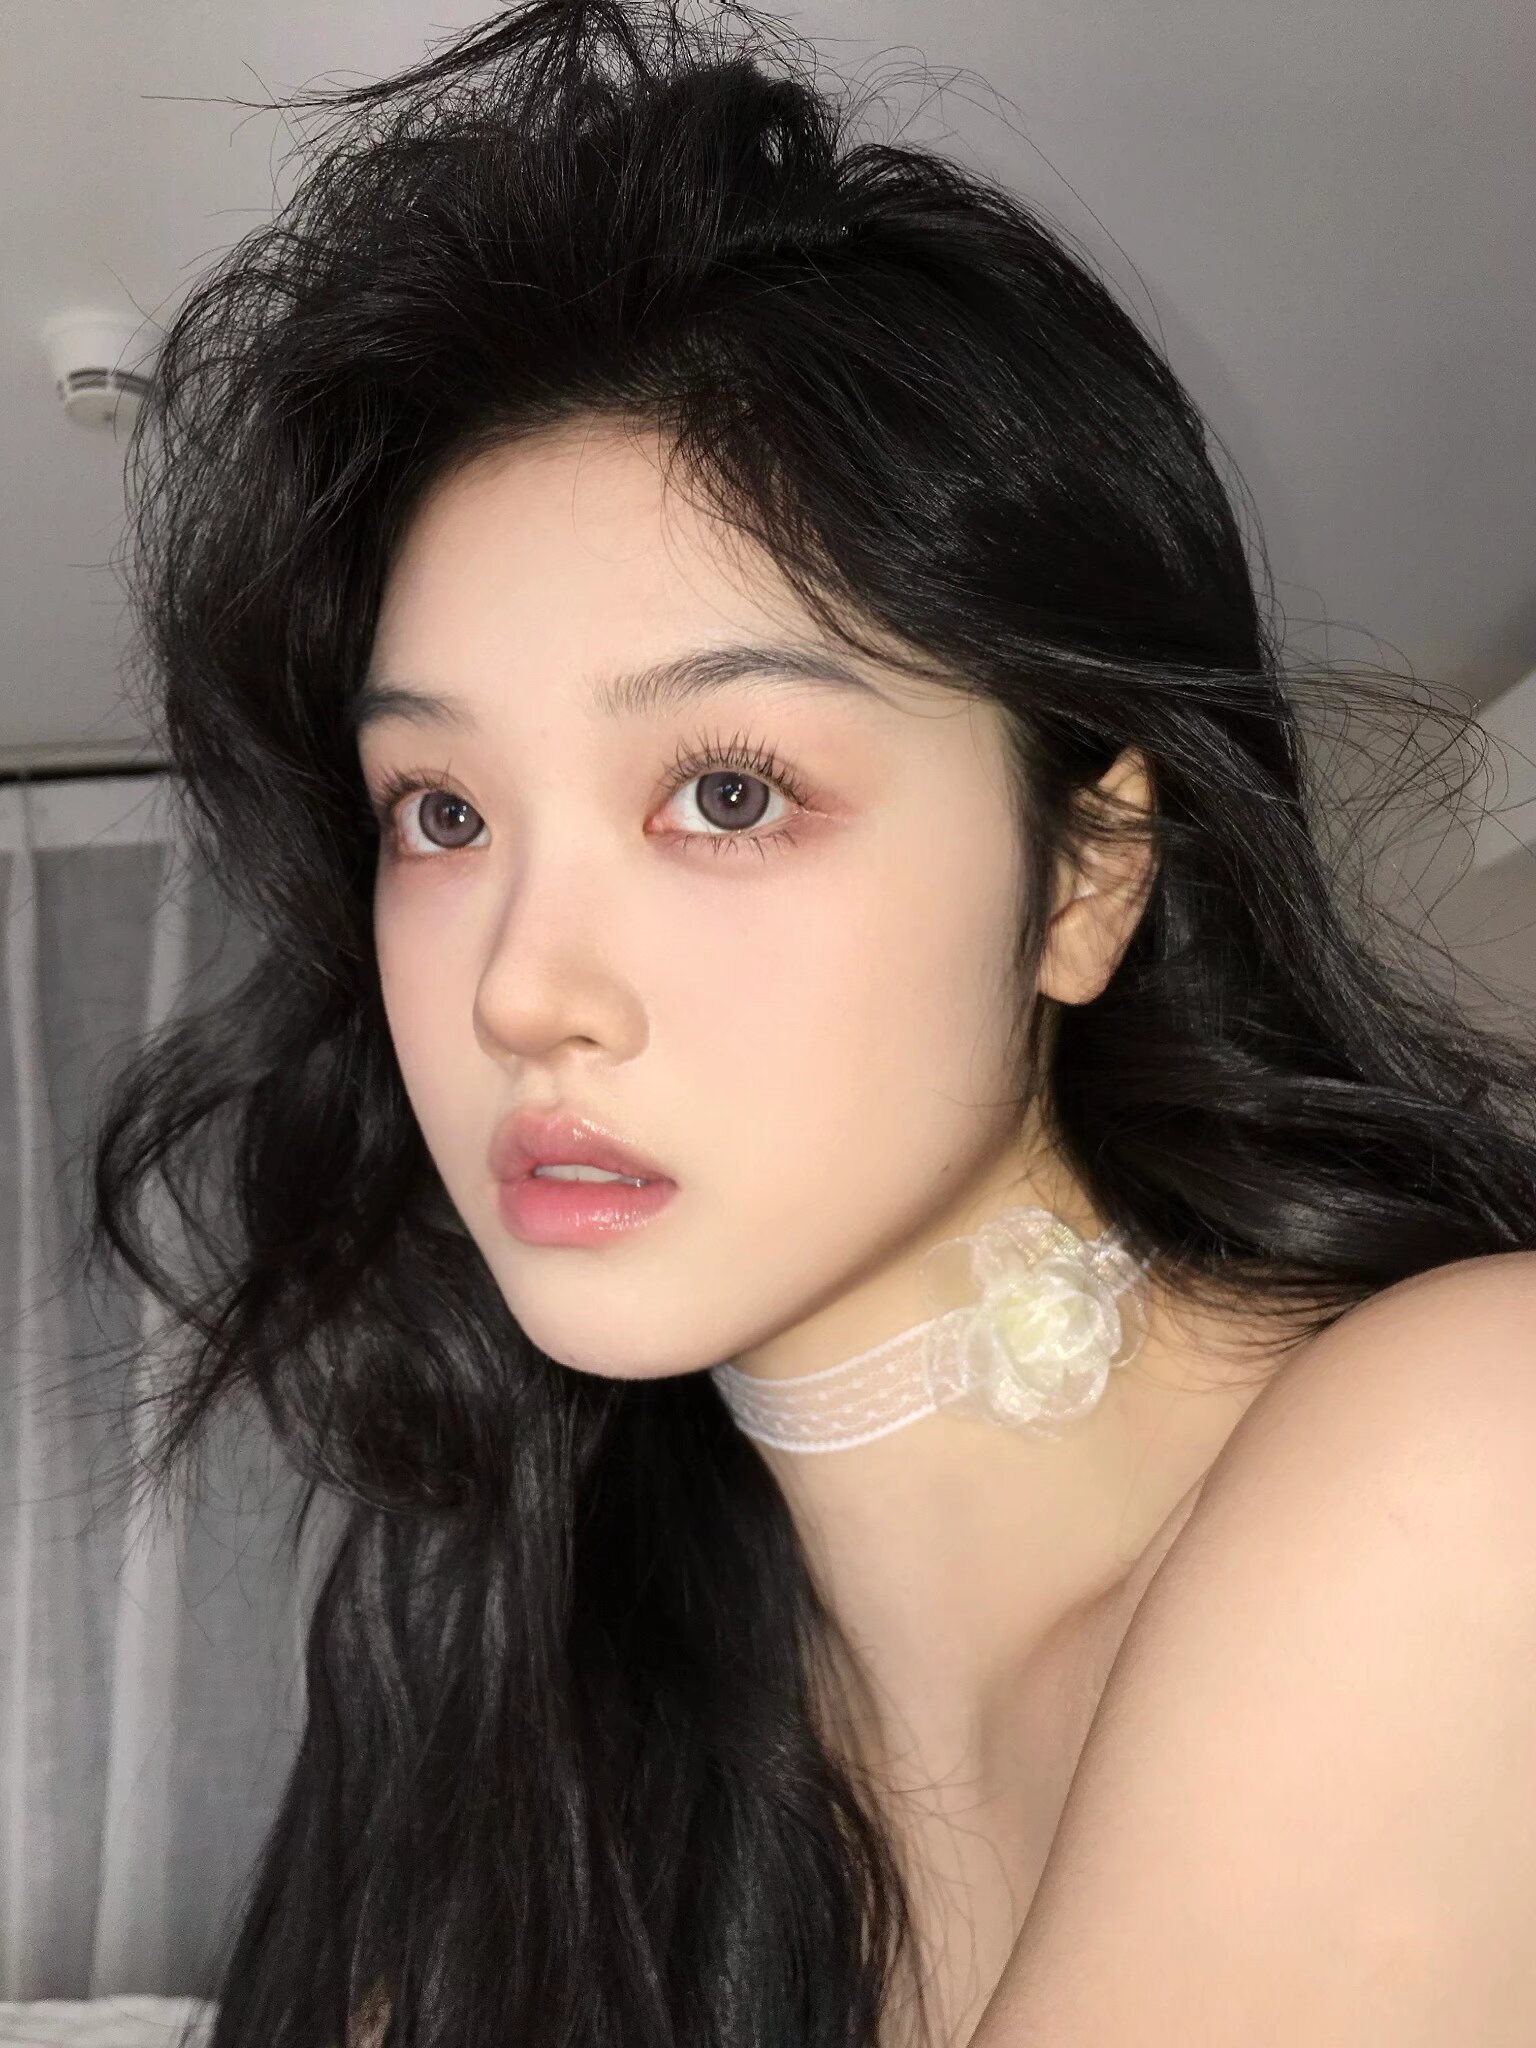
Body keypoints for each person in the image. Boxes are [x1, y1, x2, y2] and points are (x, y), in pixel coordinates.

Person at [86, 2, 1536, 2043]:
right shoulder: (531, 1696)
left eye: (727, 792)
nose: (518, 987)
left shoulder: (1480, 1454)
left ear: (1088, 874)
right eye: (442, 812)